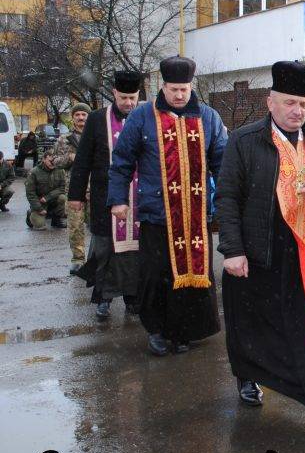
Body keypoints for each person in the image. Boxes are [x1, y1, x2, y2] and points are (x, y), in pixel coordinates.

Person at [216, 61, 305, 429]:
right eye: (289, 103)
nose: (298, 111)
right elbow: (228, 198)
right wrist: (232, 250)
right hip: (259, 249)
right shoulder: (245, 140)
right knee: (256, 327)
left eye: (303, 104)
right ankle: (249, 379)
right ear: (270, 102)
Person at [108, 56, 227, 356]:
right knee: (157, 276)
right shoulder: (142, 117)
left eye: (184, 89)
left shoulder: (209, 118)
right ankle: (158, 330)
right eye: (174, 89)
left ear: (191, 86)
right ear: (163, 86)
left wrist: (229, 201)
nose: (179, 95)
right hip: (157, 215)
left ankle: (184, 330)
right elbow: (121, 161)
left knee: (192, 277)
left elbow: (223, 163)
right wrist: (118, 199)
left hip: (196, 217)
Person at [68, 72, 144, 319]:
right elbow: (83, 160)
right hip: (104, 198)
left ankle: (133, 298)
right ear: (114, 94)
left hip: (138, 198)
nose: (129, 103)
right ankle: (103, 298)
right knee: (104, 251)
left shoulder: (145, 117)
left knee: (135, 252)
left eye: (133, 98)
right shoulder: (97, 119)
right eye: (124, 98)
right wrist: (76, 195)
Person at [53, 102, 92, 272]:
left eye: (84, 115)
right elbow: (54, 161)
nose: (81, 118)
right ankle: (78, 259)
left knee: (98, 226)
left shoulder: (95, 135)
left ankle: (97, 259)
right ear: (73, 117)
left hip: (96, 187)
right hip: (74, 188)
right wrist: (70, 157)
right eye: (78, 115)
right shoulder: (64, 139)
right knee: (76, 226)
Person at [25, 150, 66, 229]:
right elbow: (30, 193)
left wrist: (48, 197)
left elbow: (62, 188)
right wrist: (38, 208)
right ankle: (30, 214)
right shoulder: (34, 172)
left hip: (52, 199)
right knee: (40, 226)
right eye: (51, 161)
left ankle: (56, 220)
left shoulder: (60, 170)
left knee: (62, 198)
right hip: (39, 202)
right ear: (43, 159)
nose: (53, 163)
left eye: (55, 160)